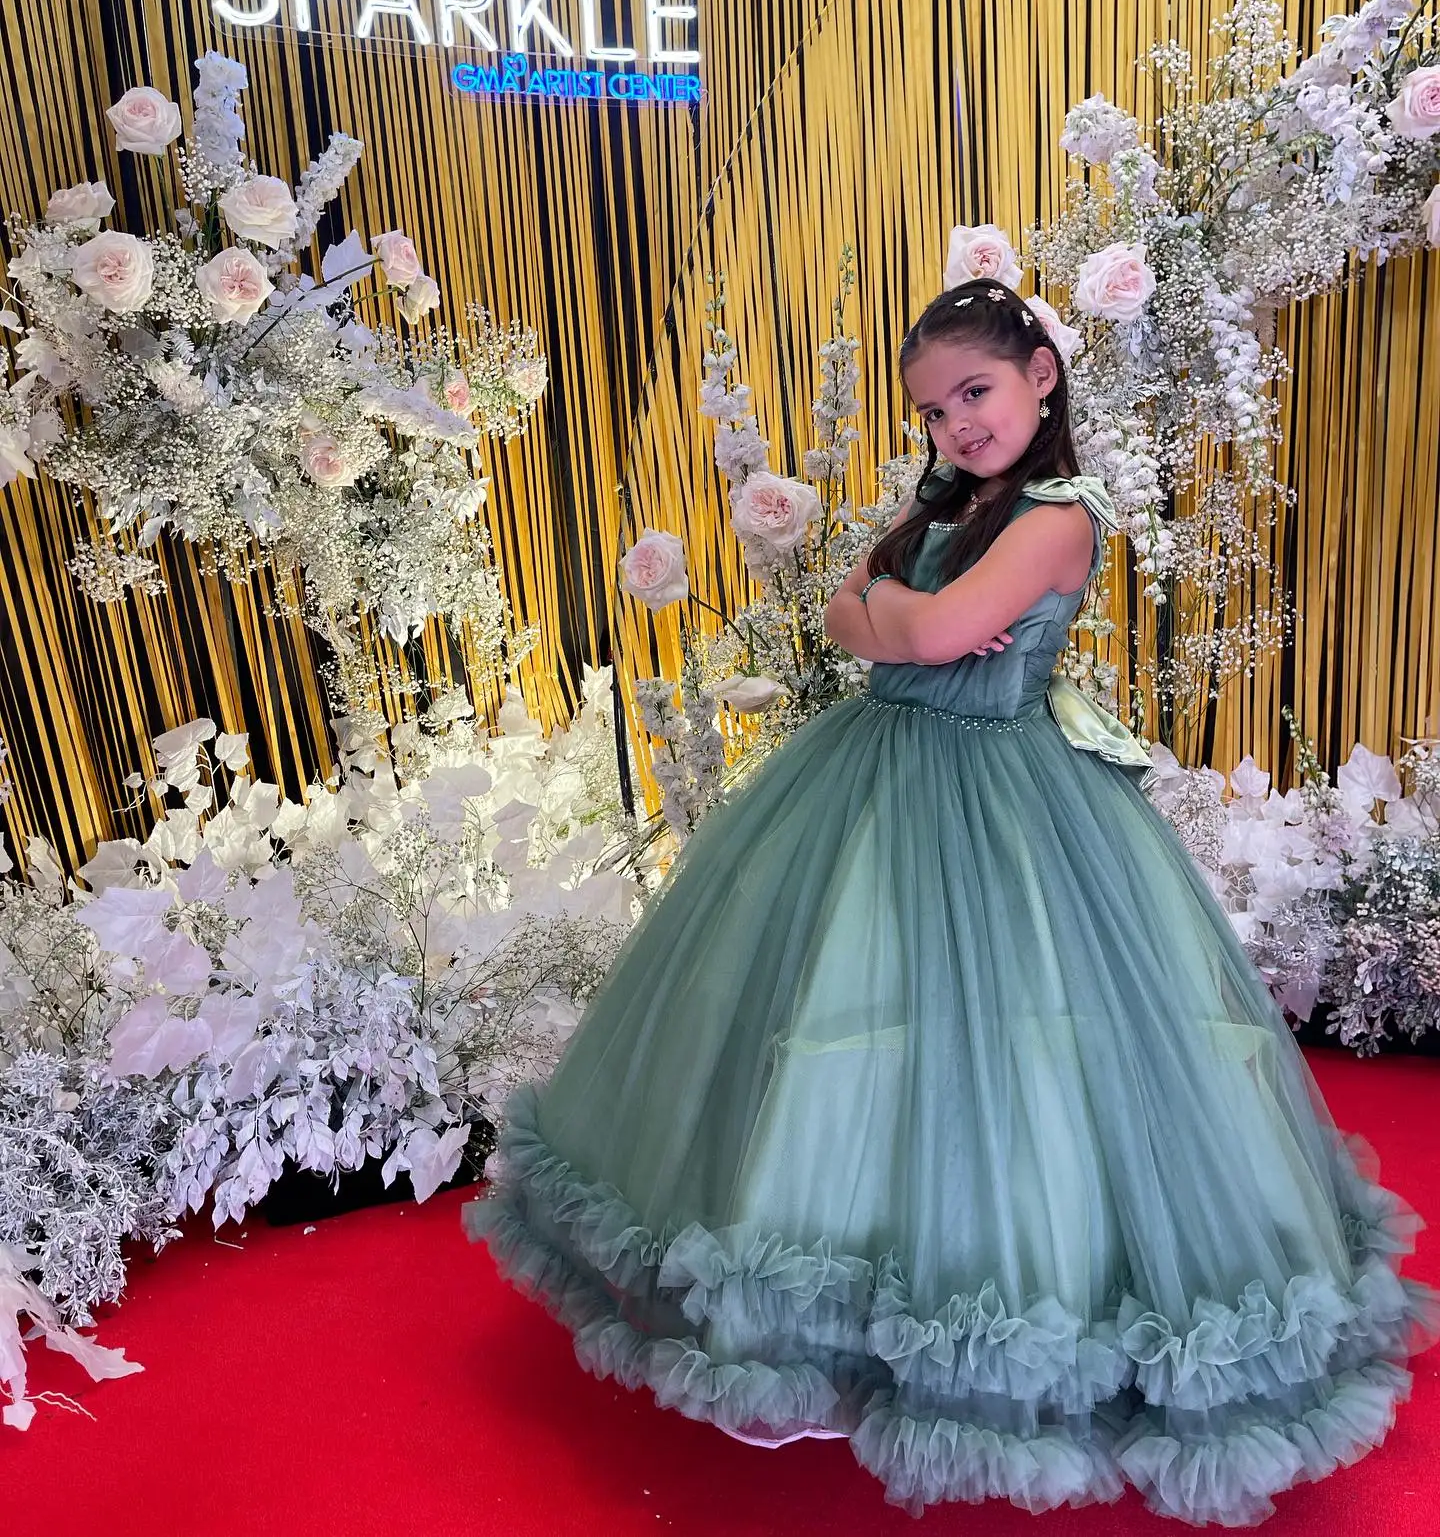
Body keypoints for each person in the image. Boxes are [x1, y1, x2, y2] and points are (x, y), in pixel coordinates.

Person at [466, 278, 1438, 1525]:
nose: (955, 426)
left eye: (973, 392)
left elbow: (914, 635)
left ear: (1041, 372)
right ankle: (824, 1324)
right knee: (839, 1018)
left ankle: (1001, 1317)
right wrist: (896, 613)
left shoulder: (1057, 514)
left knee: (1005, 1042)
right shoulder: (959, 502)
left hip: (1003, 801)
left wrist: (901, 619)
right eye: (932, 410)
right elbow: (850, 616)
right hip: (873, 783)